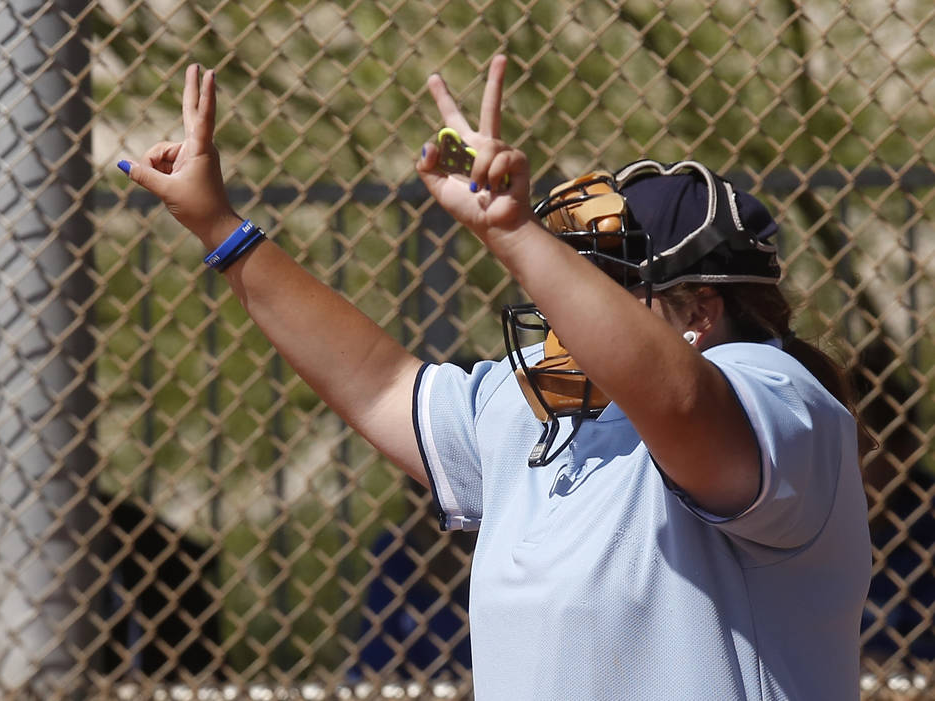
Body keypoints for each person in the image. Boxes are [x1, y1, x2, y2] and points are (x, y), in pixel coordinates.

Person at [120, 56, 872, 700]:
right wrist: (223, 231)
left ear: (698, 313)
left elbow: (678, 402)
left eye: (594, 286)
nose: (558, 307)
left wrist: (515, 236)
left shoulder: (776, 396)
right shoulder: (547, 415)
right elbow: (381, 384)